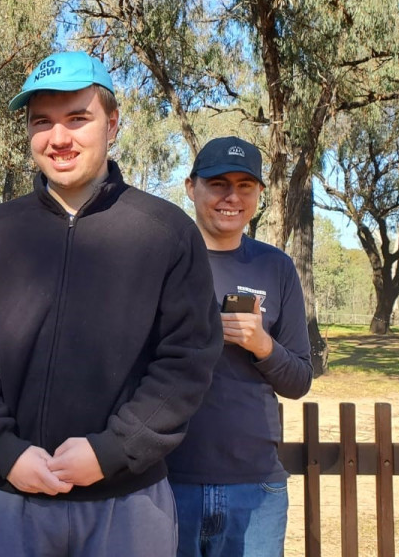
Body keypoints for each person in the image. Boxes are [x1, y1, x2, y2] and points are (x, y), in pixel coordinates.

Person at [0, 50, 224, 556]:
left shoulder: (166, 232)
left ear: (112, 124)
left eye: (77, 118)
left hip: (127, 502)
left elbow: (187, 361)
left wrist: (112, 450)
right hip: (11, 498)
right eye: (41, 122)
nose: (59, 137)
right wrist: (4, 450)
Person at [167, 137, 313, 557]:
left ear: (259, 193)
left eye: (245, 186)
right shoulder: (162, 260)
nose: (232, 197)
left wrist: (263, 344)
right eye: (218, 184)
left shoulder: (276, 267)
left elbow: (299, 380)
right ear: (191, 187)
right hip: (169, 480)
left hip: (257, 487)